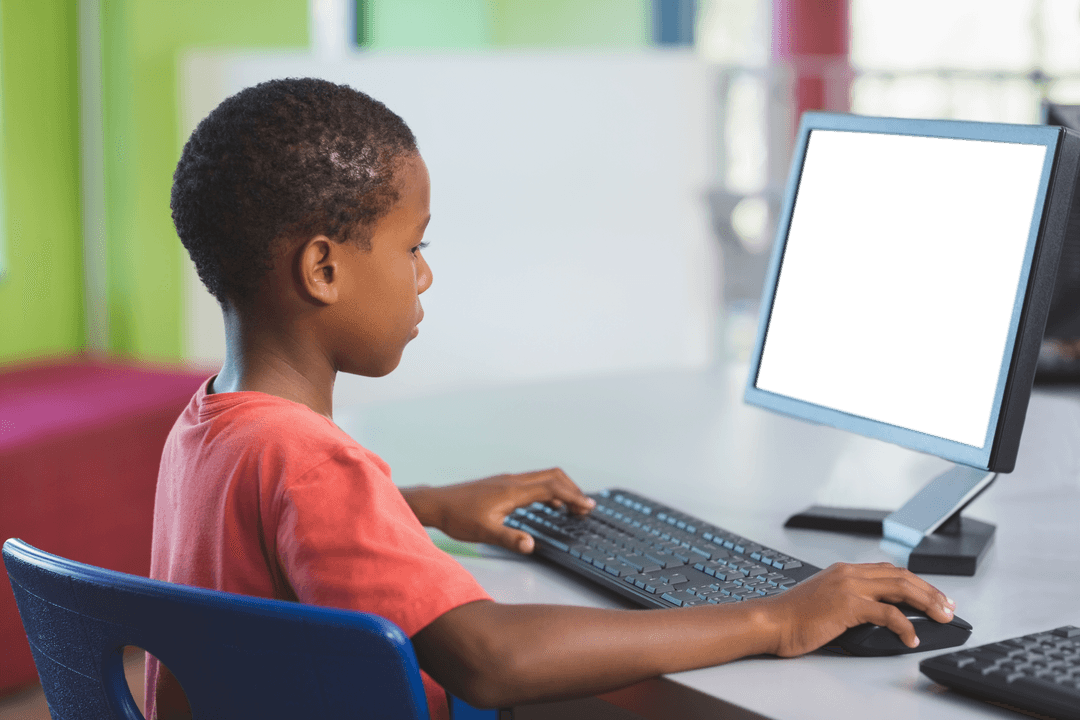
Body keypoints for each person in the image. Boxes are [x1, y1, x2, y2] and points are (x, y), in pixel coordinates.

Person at [150, 77, 957, 720]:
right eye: (413, 245)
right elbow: (492, 658)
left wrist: (418, 506)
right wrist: (776, 617)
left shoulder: (210, 423)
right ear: (323, 269)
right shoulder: (313, 461)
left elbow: (276, 527)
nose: (425, 274)